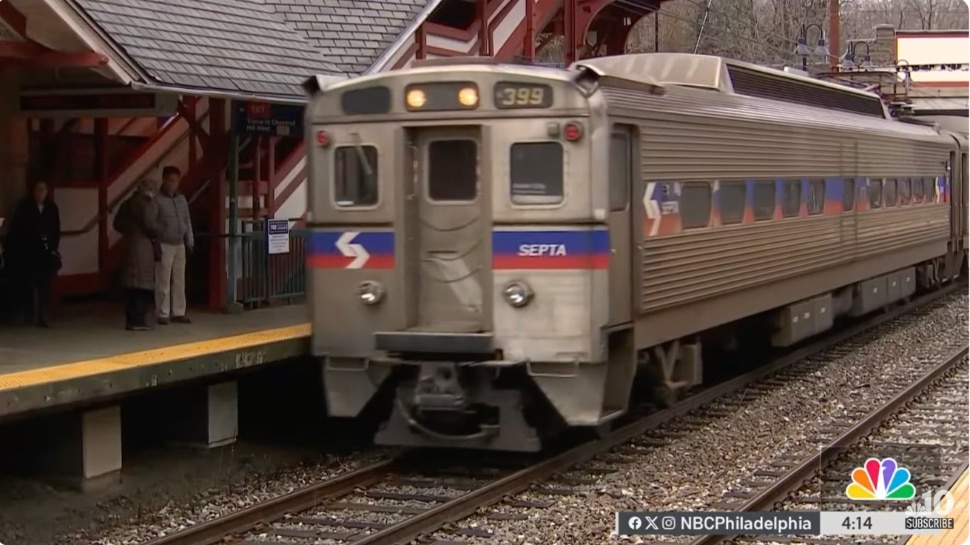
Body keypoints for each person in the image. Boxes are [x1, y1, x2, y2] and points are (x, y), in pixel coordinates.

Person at [5, 180, 61, 328]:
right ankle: (26, 314)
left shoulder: (51, 208)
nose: (41, 193)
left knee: (44, 285)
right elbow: (17, 231)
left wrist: (52, 247)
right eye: (38, 190)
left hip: (45, 251)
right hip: (28, 252)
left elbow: (55, 230)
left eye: (44, 190)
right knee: (26, 284)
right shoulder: (25, 208)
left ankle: (43, 315)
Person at [114, 178, 159, 331]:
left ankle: (130, 319)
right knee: (143, 284)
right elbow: (150, 225)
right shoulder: (144, 204)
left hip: (129, 244)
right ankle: (138, 320)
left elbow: (116, 223)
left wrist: (129, 230)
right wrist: (159, 230)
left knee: (131, 283)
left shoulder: (127, 203)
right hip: (143, 246)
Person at [153, 166, 194, 325]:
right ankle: (162, 313)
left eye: (176, 180)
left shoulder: (181, 199)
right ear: (164, 180)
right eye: (171, 180)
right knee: (163, 279)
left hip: (179, 243)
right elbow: (154, 221)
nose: (174, 184)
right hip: (164, 243)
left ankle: (179, 311)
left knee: (179, 279)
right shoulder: (157, 200)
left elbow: (187, 220)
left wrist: (189, 239)